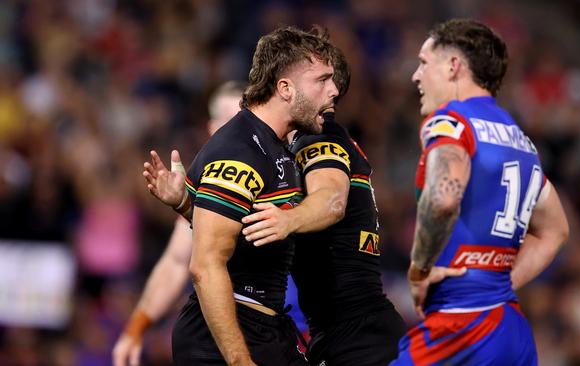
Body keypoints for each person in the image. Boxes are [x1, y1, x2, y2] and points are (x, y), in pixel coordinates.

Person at [143, 26, 340, 366]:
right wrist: (239, 361)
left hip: (266, 326)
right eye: (322, 80)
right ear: (285, 88)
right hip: (226, 337)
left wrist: (186, 205)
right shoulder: (239, 152)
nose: (334, 90)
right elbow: (205, 265)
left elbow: (238, 226)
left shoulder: (272, 142)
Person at [391, 19, 569, 365]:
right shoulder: (521, 141)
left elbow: (443, 198)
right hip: (509, 329)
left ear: (454, 66)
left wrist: (419, 270)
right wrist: (495, 285)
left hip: (462, 325)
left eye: (424, 63)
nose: (415, 76)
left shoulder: (451, 122)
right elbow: (556, 230)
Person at [241, 47, 406, 365]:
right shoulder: (316, 142)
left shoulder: (318, 139)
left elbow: (332, 200)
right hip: (355, 333)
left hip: (358, 339)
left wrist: (287, 221)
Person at [111, 81, 245, 366]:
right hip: (225, 338)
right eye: (231, 120)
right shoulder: (207, 188)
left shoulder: (283, 175)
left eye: (247, 120)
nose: (241, 130)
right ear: (212, 127)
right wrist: (136, 328)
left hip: (289, 334)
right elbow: (175, 262)